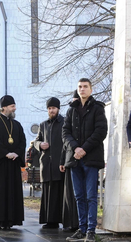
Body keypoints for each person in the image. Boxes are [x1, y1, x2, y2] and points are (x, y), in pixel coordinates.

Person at [63, 78, 107, 242]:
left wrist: (84, 149)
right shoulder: (71, 110)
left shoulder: (97, 109)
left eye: (85, 87)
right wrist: (75, 148)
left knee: (90, 196)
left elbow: (100, 132)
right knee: (79, 196)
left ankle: (90, 230)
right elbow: (65, 132)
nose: (82, 89)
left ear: (91, 89)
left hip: (91, 159)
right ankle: (81, 229)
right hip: (74, 159)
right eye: (80, 87)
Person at [0, 95, 26, 230]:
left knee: (12, 191)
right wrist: (5, 153)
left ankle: (11, 219)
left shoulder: (17, 124)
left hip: (12, 164)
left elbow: (22, 142)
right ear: (4, 107)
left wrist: (16, 153)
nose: (15, 109)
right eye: (12, 106)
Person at [34, 97, 65, 229]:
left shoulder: (64, 123)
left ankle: (62, 220)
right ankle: (49, 220)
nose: (51, 111)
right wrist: (40, 144)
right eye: (49, 108)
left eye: (53, 108)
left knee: (60, 193)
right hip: (47, 164)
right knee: (48, 194)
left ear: (58, 108)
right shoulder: (43, 125)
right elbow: (36, 141)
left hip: (60, 164)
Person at [60, 90, 79, 232]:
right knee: (68, 193)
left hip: (81, 157)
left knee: (79, 194)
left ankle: (78, 223)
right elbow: (64, 141)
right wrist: (62, 161)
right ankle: (69, 222)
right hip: (69, 159)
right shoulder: (69, 114)